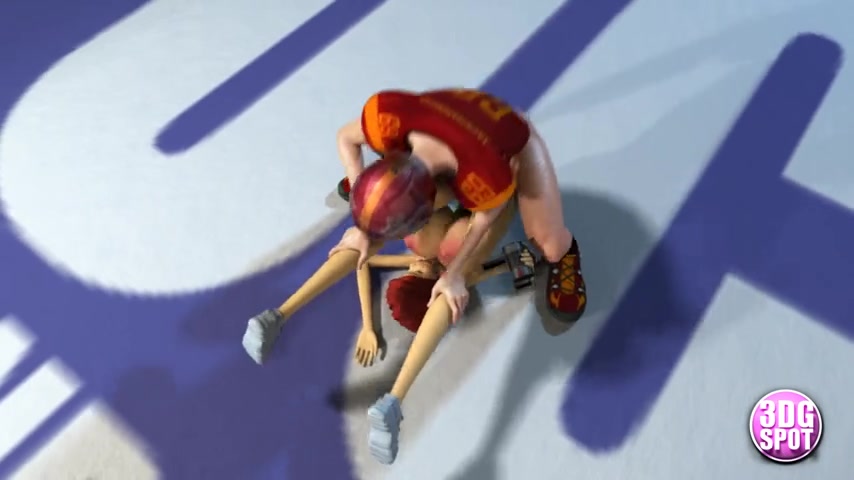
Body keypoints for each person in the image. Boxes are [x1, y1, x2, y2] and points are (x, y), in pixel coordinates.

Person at [333, 88, 587, 464]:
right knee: (423, 240)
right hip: (453, 124)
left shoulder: (486, 174)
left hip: (507, 139)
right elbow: (345, 137)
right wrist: (364, 202)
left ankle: (566, 251)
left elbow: (486, 217)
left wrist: (454, 274)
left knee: (547, 242)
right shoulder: (386, 117)